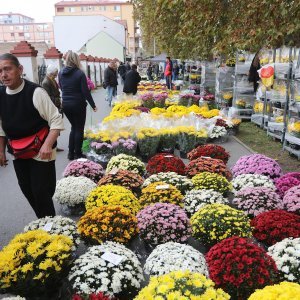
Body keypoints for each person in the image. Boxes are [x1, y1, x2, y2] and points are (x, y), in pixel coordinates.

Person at [0, 53, 64, 218]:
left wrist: (47, 145)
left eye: (8, 69)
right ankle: (44, 222)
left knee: (41, 192)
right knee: (28, 190)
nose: (3, 75)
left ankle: (52, 230)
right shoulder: (1, 95)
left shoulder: (36, 92)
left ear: (20, 69)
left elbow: (56, 120)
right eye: (0, 71)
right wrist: (1, 151)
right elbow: (1, 128)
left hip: (41, 149)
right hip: (18, 151)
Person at [58, 50, 97, 160]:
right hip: (78, 104)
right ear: (76, 60)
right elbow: (85, 91)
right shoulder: (80, 73)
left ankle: (71, 153)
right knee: (79, 129)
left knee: (73, 128)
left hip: (66, 104)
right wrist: (93, 105)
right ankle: (78, 153)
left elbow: (61, 87)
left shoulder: (60, 73)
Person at [42, 65, 64, 152]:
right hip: (52, 107)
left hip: (57, 105)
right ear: (51, 73)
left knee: (57, 126)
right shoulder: (46, 82)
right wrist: (58, 100)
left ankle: (54, 145)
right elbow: (47, 97)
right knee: (53, 127)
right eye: (55, 73)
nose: (56, 75)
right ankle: (52, 146)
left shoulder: (52, 79)